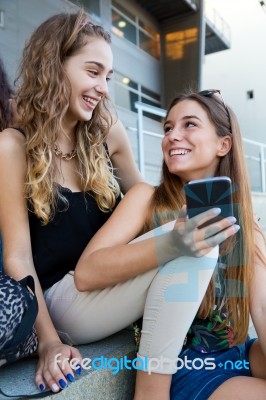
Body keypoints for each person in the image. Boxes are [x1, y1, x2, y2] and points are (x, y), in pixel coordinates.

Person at [72, 89, 266, 399]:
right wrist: (174, 242)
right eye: (167, 128)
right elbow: (88, 271)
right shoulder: (146, 199)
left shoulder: (245, 220)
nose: (172, 136)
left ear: (223, 144)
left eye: (189, 124)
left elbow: (260, 305)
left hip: (241, 351)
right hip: (188, 367)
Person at [0, 9, 144, 394]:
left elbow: (147, 203)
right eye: (93, 72)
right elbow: (18, 257)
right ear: (54, 66)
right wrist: (48, 342)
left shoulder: (107, 134)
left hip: (109, 280)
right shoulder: (13, 146)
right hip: (59, 304)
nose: (104, 88)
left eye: (108, 77)